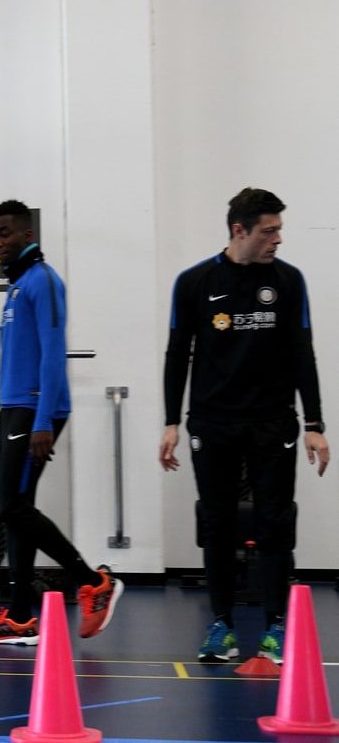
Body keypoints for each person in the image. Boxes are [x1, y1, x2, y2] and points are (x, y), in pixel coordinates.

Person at [159, 187, 328, 664]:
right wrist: (170, 422)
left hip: (273, 423)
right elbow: (177, 355)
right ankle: (221, 627)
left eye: (279, 230)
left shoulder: (289, 280)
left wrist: (314, 422)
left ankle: (276, 626)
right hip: (212, 423)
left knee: (275, 524)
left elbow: (303, 352)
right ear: (239, 230)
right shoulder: (194, 282)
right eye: (269, 231)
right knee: (217, 525)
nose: (278, 239)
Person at [0, 199, 123, 645]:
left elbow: (54, 355)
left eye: (4, 233)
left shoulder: (44, 281)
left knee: (13, 508)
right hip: (15, 407)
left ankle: (93, 582)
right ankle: (19, 618)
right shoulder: (17, 286)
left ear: (27, 234)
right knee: (17, 512)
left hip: (36, 409)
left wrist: (41, 422)